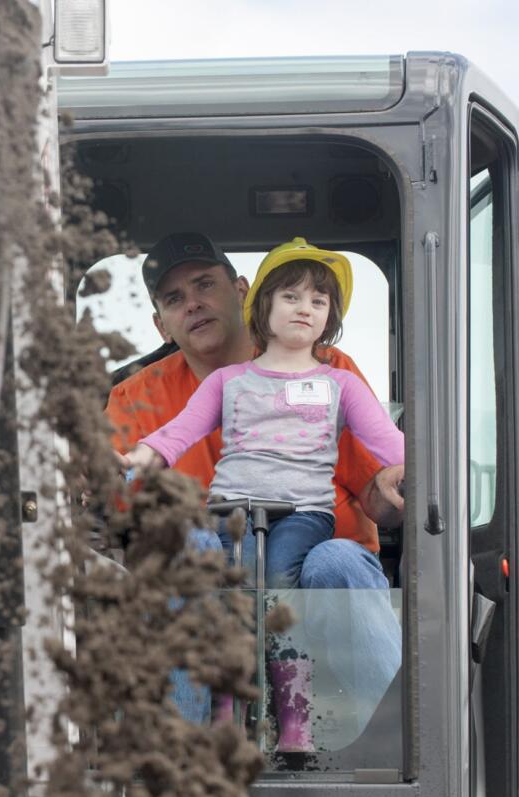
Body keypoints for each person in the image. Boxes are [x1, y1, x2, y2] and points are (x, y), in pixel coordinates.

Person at [104, 232, 403, 745]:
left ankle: (399, 738)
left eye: (204, 285)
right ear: (161, 325)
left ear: (243, 291)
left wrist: (401, 485)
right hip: (207, 585)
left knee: (337, 562)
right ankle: (190, 745)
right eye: (174, 299)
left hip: (317, 574)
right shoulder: (132, 399)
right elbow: (115, 510)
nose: (193, 304)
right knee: (186, 544)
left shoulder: (332, 377)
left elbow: (381, 488)